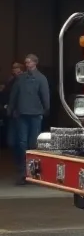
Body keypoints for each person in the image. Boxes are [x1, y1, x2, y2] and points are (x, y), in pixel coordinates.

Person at [7, 55, 48, 187]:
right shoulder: (21, 79)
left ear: (35, 63)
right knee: (22, 143)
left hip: (35, 114)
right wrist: (11, 109)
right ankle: (23, 173)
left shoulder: (41, 78)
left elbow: (45, 95)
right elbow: (14, 95)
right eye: (26, 62)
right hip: (22, 114)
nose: (27, 63)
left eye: (29, 61)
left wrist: (46, 110)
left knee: (33, 143)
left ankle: (33, 173)